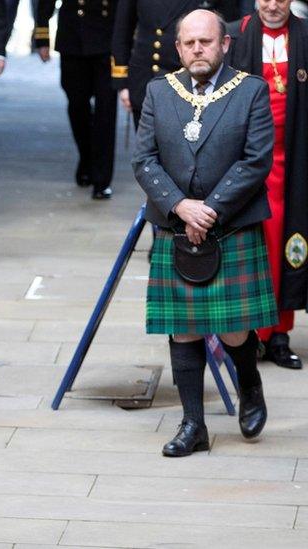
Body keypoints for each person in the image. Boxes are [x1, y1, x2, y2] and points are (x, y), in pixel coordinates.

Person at [134, 9, 276, 457]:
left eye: (206, 42)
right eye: (189, 43)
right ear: (178, 48)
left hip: (230, 226)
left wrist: (210, 210)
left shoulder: (251, 90)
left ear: (224, 44)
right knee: (183, 329)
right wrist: (180, 204)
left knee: (233, 330)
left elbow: (256, 160)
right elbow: (144, 159)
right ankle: (192, 424)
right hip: (176, 226)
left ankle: (249, 383)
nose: (198, 49)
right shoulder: (159, 91)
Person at [227, 0, 308, 369]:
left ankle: (279, 335)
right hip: (248, 160)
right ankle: (247, 337)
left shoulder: (305, 37)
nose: (273, 5)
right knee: (252, 245)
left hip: (293, 160)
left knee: (286, 244)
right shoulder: (233, 35)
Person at [113, 0, 244, 126]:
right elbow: (122, 30)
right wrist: (122, 82)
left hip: (196, 82)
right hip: (146, 79)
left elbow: (229, 30)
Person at [35, 0, 118, 199]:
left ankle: (102, 179)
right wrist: (42, 37)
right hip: (73, 37)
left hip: (109, 40)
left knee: (105, 112)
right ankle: (87, 157)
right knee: (77, 106)